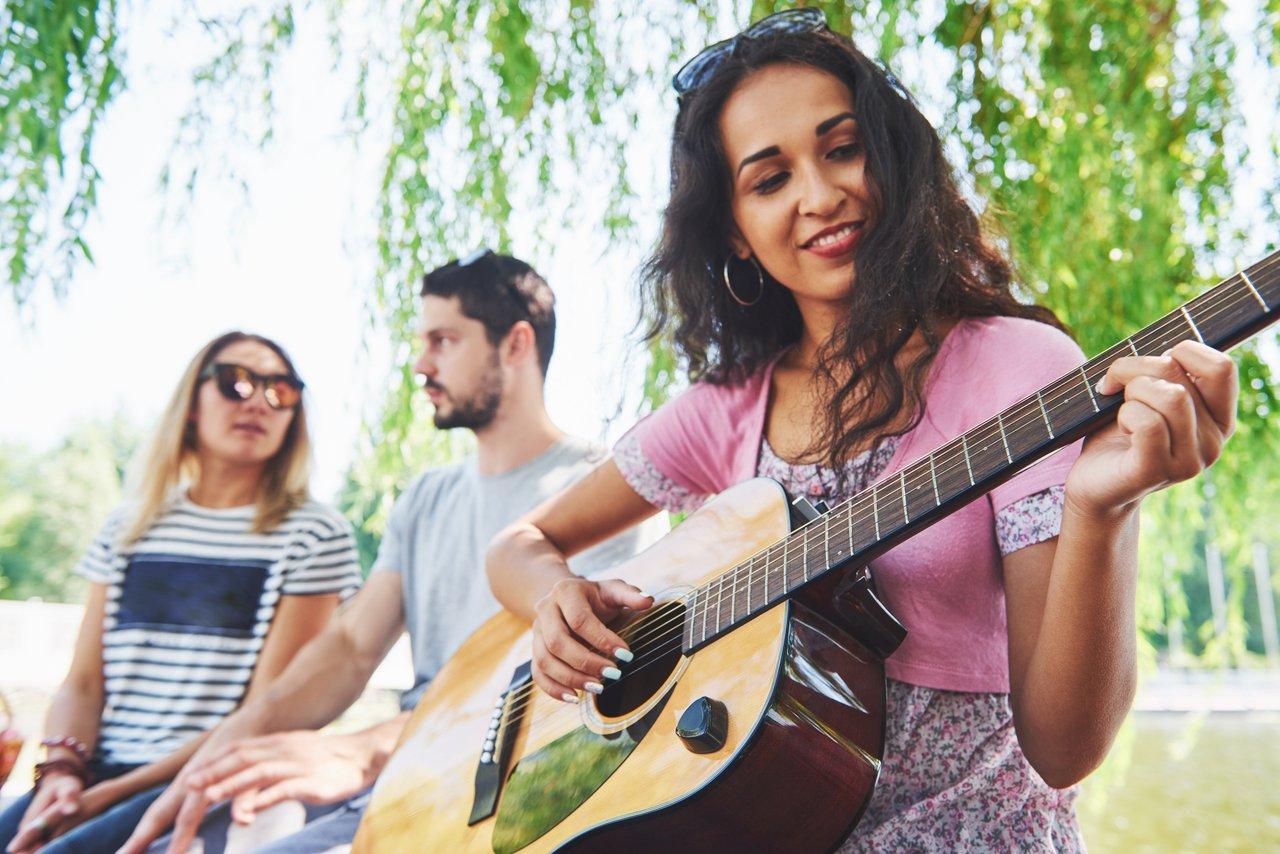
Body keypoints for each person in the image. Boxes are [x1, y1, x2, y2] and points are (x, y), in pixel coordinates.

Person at [484, 9, 1239, 851]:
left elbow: (1065, 753)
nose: (820, 194)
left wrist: (1105, 512)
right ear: (734, 230)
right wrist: (555, 597)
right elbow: (518, 541)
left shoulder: (1019, 369)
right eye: (770, 180)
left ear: (891, 160)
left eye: (842, 148)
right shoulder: (725, 407)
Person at [120, 251, 646, 853]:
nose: (421, 365)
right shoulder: (425, 497)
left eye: (444, 341)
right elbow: (348, 647)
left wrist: (363, 748)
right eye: (421, 342)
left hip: (494, 791)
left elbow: (567, 695)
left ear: (516, 345)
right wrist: (228, 747)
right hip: (401, 767)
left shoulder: (605, 490)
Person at [0, 331, 361, 854]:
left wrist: (109, 796)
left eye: (281, 390)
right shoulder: (128, 526)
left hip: (205, 780)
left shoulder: (313, 534)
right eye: (236, 383)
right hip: (95, 773)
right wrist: (61, 772)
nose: (259, 400)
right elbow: (81, 682)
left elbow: (268, 712)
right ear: (192, 402)